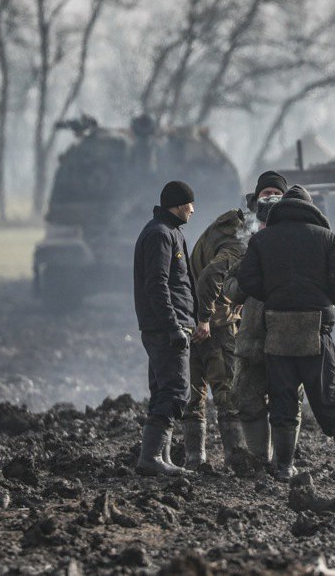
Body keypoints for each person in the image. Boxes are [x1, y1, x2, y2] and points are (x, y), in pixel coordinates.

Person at [236, 185, 335, 483]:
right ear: (310, 207)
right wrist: (322, 298)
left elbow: (247, 280)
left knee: (283, 398)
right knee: (331, 395)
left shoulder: (262, 239)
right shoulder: (326, 237)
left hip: (277, 327)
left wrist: (274, 296)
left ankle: (284, 467)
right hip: (316, 327)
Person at [181, 171, 287, 469]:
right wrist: (205, 319)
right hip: (215, 323)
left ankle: (194, 457)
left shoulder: (228, 225)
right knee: (228, 390)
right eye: (266, 194)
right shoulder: (239, 242)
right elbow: (209, 278)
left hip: (195, 318)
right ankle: (236, 457)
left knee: (195, 391)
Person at [133, 180, 198, 476]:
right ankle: (151, 459)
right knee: (175, 391)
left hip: (170, 325)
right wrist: (173, 327)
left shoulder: (170, 232)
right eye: (190, 204)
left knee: (163, 389)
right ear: (179, 204)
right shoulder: (160, 234)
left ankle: (163, 458)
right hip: (166, 328)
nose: (193, 210)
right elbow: (157, 284)